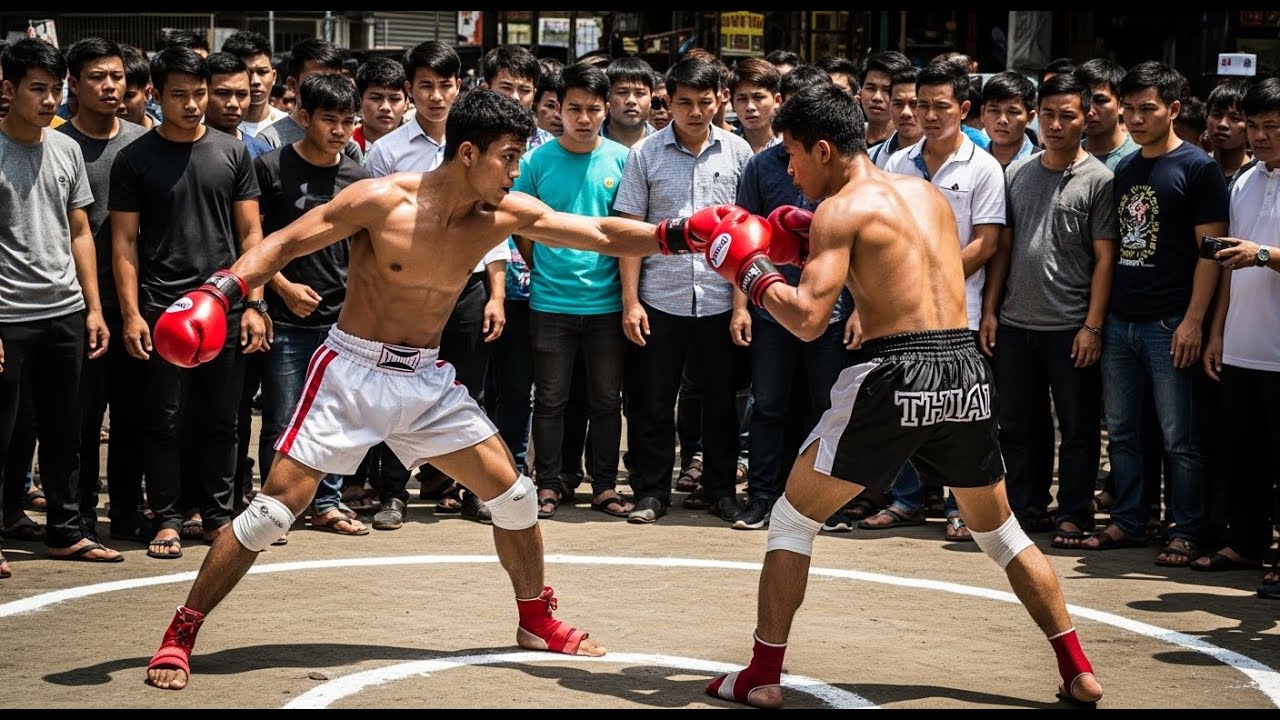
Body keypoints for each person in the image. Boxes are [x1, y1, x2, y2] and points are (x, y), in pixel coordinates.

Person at [142, 88, 690, 690]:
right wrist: (221, 291)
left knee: (515, 499)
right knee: (271, 514)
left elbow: (603, 233)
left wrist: (682, 236)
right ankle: (182, 632)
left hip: (425, 378)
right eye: (506, 157)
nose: (515, 170)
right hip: (350, 375)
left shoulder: (503, 215)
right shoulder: (381, 200)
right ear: (466, 153)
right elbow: (284, 243)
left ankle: (535, 620)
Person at [700, 81, 1103, 709]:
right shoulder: (926, 195)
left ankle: (761, 675)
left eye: (792, 155)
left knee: (791, 518)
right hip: (963, 368)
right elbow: (903, 264)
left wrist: (752, 272)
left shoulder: (841, 211)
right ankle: (1077, 666)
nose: (786, 168)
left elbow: (808, 320)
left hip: (895, 372)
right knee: (1000, 533)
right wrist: (807, 237)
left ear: (825, 149)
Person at [1078, 61, 1228, 567]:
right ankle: (1128, 519)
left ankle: (1186, 528)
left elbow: (1211, 251)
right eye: (1132, 109)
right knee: (1122, 431)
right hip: (1121, 321)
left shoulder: (1199, 168)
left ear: (1174, 110)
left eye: (1150, 109)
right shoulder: (1126, 168)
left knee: (1180, 437)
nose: (1137, 118)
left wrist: (1193, 320)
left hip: (1171, 322)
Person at [978, 72, 1117, 545]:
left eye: (1068, 116)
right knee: (1018, 424)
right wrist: (991, 311)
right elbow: (1003, 250)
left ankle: (1073, 513)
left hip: (1070, 326)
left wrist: (1092, 327)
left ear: (1087, 117)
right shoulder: (1018, 173)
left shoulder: (1100, 180)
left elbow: (1105, 260)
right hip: (1016, 323)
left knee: (1077, 428)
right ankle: (1025, 506)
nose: (1056, 125)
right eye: (1049, 115)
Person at [0, 38, 119, 570]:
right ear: (8, 89)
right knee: (4, 432)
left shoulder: (66, 149)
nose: (49, 100)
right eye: (37, 89)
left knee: (67, 429)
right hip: (8, 316)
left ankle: (66, 530)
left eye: (55, 89)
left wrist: (92, 308)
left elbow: (80, 234)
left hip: (65, 311)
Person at [56, 36, 149, 543]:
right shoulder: (57, 142)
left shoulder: (142, 140)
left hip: (136, 304)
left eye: (116, 76)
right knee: (82, 421)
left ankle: (130, 511)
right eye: (97, 77)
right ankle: (81, 513)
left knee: (134, 416)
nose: (110, 86)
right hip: (76, 307)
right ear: (73, 82)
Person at [1197, 76, 1280, 590]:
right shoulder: (1245, 180)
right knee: (1243, 454)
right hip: (1244, 346)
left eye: (1272, 126)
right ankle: (1247, 543)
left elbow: (1254, 255)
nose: (1261, 135)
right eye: (1255, 125)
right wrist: (1218, 333)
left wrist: (1265, 255)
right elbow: (1231, 264)